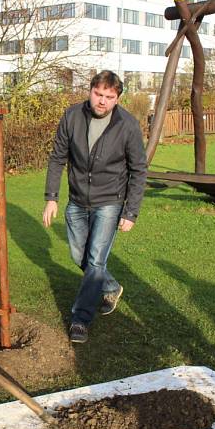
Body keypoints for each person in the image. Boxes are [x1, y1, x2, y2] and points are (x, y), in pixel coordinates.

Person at [42, 70, 147, 344]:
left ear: (117, 98)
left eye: (109, 97)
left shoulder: (128, 125)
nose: (102, 101)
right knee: (80, 256)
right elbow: (57, 159)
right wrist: (51, 197)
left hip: (109, 201)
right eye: (98, 94)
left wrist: (130, 211)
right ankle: (111, 286)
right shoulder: (72, 117)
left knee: (95, 259)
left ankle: (80, 319)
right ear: (90, 91)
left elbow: (139, 170)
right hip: (77, 200)